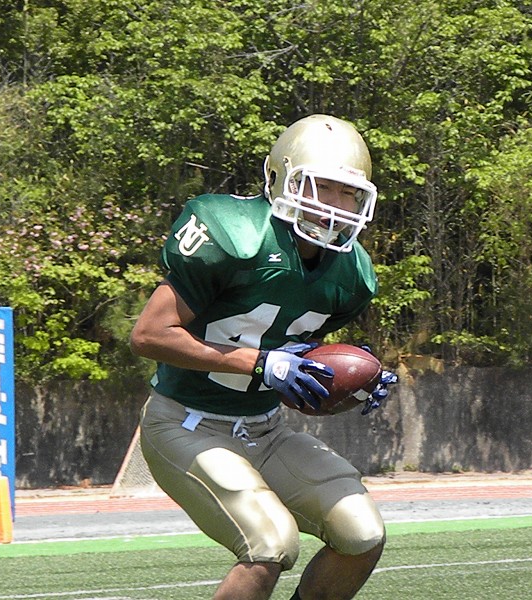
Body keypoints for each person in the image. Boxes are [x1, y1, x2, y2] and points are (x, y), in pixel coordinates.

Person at [129, 114, 398, 600]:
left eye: (347, 193)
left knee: (362, 534)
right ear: (281, 179)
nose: (334, 206)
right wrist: (261, 363)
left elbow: (299, 356)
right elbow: (149, 335)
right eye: (321, 187)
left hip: (266, 430)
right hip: (185, 423)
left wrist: (354, 377)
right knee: (270, 544)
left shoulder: (352, 273)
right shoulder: (233, 232)